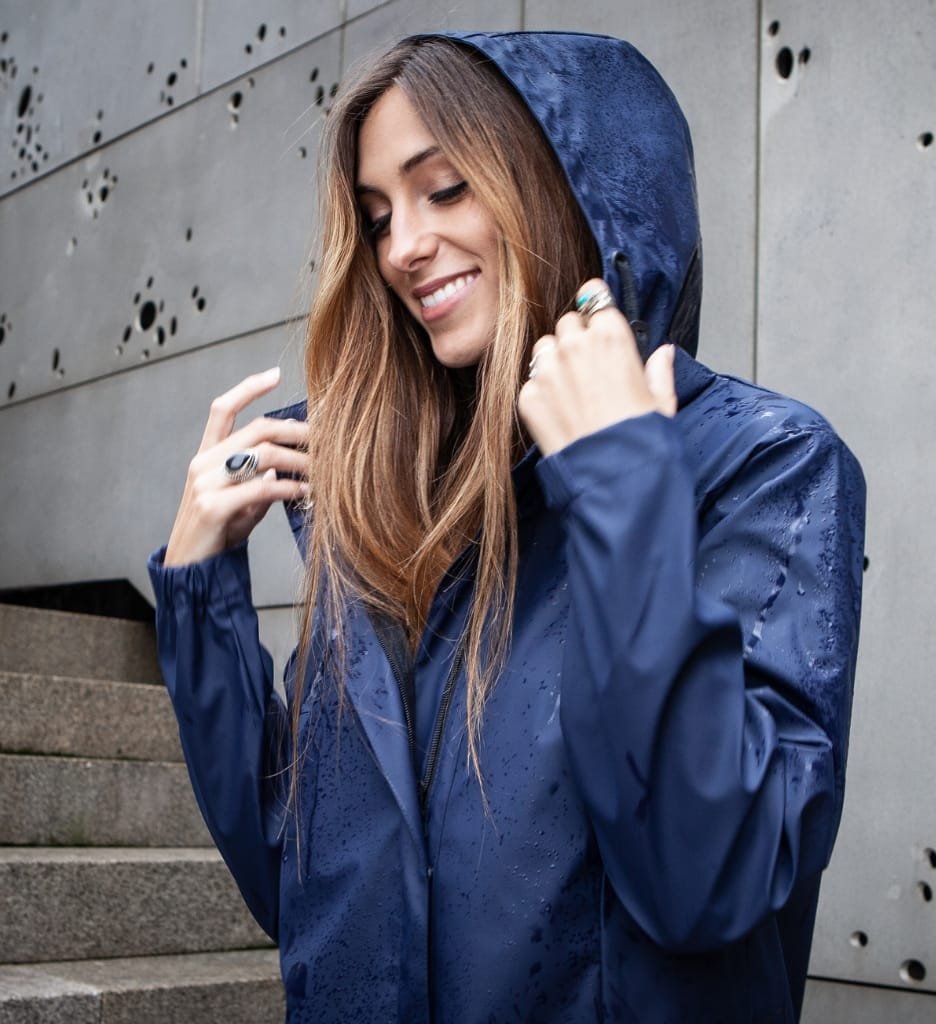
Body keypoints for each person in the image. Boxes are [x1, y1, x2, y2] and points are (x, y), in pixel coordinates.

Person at [149, 30, 866, 1024]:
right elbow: (306, 892)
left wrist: (618, 485)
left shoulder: (759, 460)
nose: (400, 246)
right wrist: (199, 597)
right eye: (376, 215)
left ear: (567, 184)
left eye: (443, 189)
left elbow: (708, 880)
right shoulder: (384, 499)